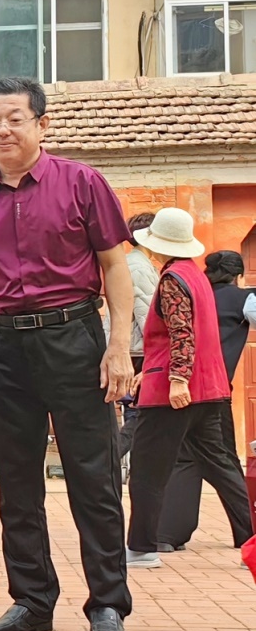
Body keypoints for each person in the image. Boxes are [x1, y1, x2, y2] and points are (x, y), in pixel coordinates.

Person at [0, 76, 136, 631]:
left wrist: (117, 346)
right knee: (16, 479)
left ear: (41, 124)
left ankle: (107, 602)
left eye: (14, 119)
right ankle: (31, 600)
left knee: (93, 476)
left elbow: (115, 267)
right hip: (5, 346)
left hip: (74, 338)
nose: (2, 129)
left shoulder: (82, 182)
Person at [124, 215, 254, 567]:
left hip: (174, 391)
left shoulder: (173, 279)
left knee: (147, 469)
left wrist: (177, 378)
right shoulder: (195, 274)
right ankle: (251, 536)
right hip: (210, 389)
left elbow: (181, 333)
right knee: (222, 466)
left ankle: (142, 547)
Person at [156, 250, 255, 551]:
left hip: (179, 384)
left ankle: (168, 534)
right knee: (223, 460)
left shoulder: (190, 291)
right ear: (238, 275)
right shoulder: (244, 299)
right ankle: (249, 534)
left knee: (184, 457)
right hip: (214, 389)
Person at [114, 212, 159, 459]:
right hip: (139, 351)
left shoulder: (133, 263)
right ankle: (110, 462)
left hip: (134, 349)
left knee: (138, 414)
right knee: (141, 414)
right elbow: (149, 318)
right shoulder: (139, 267)